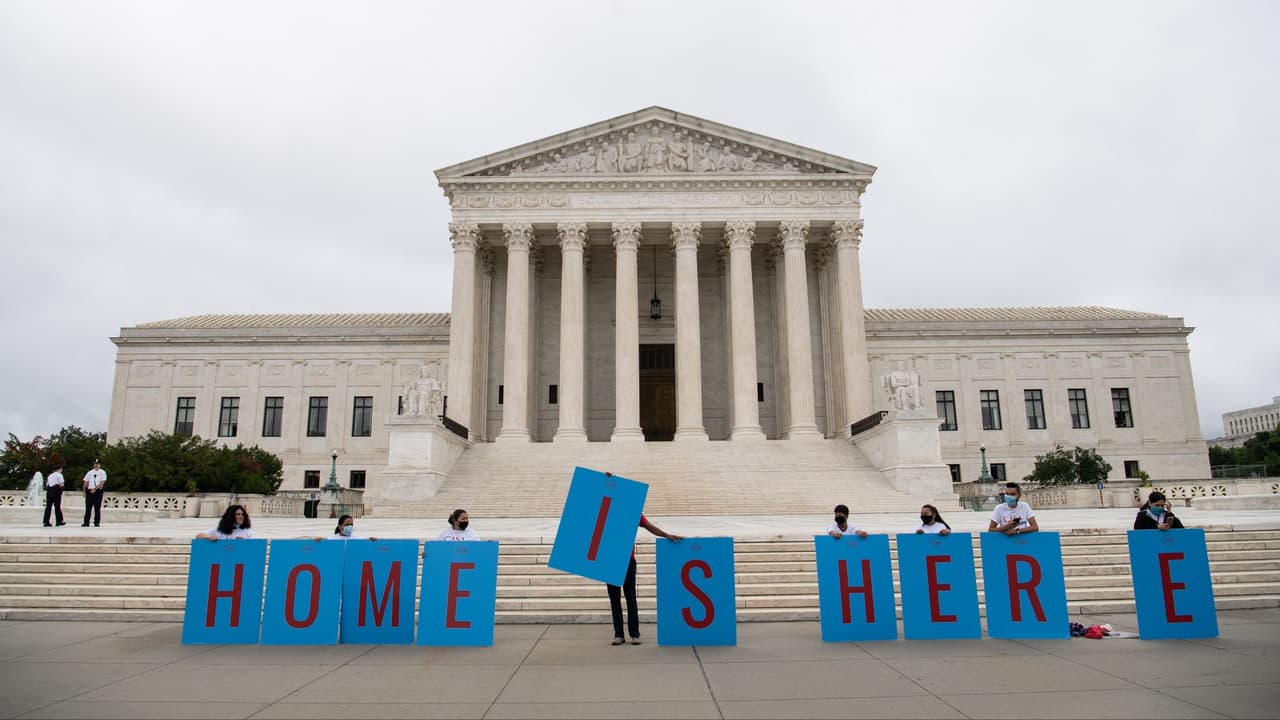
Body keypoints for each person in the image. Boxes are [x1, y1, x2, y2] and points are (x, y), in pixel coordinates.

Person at [608, 513, 682, 646]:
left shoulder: (633, 511)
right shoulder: (605, 510)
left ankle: (634, 634)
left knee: (630, 597)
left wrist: (666, 535)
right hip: (609, 561)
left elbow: (650, 527)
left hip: (627, 560)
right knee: (615, 599)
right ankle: (618, 635)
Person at [81, 459, 107, 527]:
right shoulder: (90, 472)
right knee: (88, 508)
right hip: (90, 491)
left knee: (97, 508)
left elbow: (102, 483)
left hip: (98, 491)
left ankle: (96, 522)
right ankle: (86, 522)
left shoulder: (102, 472)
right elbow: (86, 482)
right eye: (95, 464)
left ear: (100, 465)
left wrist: (95, 489)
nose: (96, 465)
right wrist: (84, 491)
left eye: (97, 464)